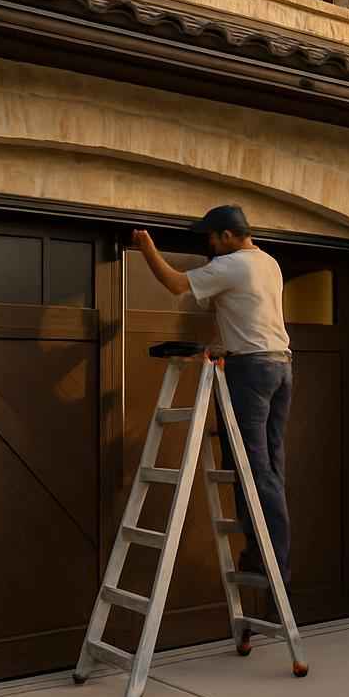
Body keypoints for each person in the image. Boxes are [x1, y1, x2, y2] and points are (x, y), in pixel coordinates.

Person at [131, 205, 293, 583]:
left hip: (251, 371)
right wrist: (225, 344)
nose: (210, 244)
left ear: (228, 235)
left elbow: (175, 284)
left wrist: (146, 246)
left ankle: (272, 563)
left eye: (212, 238)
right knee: (270, 467)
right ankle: (264, 554)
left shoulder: (232, 264)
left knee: (251, 467)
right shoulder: (268, 263)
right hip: (280, 366)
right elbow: (246, 312)